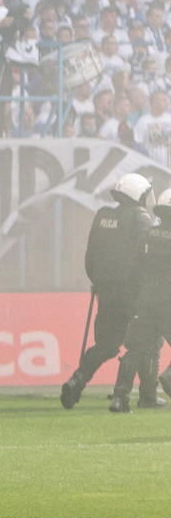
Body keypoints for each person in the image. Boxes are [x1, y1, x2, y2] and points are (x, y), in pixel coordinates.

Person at [62, 174, 159, 410]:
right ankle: (135, 395)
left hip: (105, 292)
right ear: (138, 194)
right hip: (132, 293)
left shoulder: (103, 215)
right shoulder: (140, 218)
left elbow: (90, 257)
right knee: (145, 341)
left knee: (106, 344)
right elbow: (147, 257)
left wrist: (99, 282)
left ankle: (77, 380)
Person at [106, 182, 171, 414]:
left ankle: (120, 398)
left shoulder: (149, 235)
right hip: (168, 302)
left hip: (145, 300)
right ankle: (168, 380)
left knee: (134, 349)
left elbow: (134, 271)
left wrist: (135, 301)